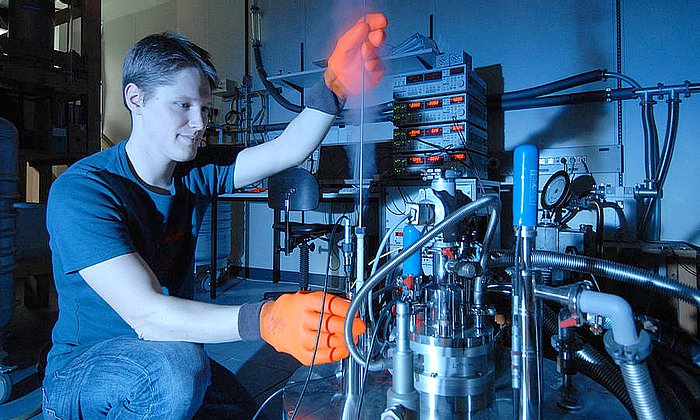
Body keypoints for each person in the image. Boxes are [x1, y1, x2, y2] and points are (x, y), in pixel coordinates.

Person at [42, 13, 388, 419]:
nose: (200, 124)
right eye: (183, 105)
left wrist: (334, 87)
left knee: (240, 410)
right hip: (85, 372)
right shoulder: (85, 190)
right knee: (176, 373)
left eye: (205, 109)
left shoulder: (194, 173)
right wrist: (267, 320)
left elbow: (286, 150)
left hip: (164, 353)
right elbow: (148, 315)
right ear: (135, 99)